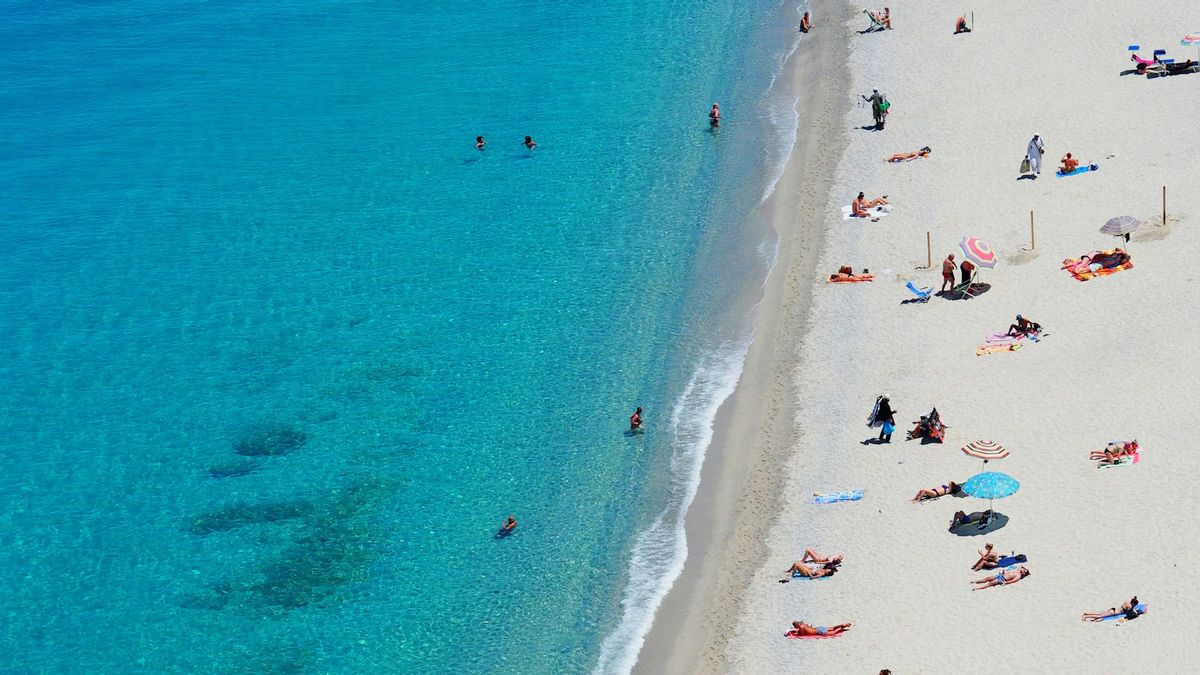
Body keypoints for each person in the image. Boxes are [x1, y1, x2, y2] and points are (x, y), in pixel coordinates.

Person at [786, 621, 852, 638]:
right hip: (819, 628)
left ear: (796, 625)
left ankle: (841, 629)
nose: (795, 628)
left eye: (795, 626)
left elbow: (802, 635)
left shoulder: (800, 627)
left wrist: (794, 633)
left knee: (833, 633)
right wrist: (796, 631)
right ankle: (842, 625)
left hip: (819, 631)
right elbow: (809, 627)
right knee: (833, 628)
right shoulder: (802, 623)